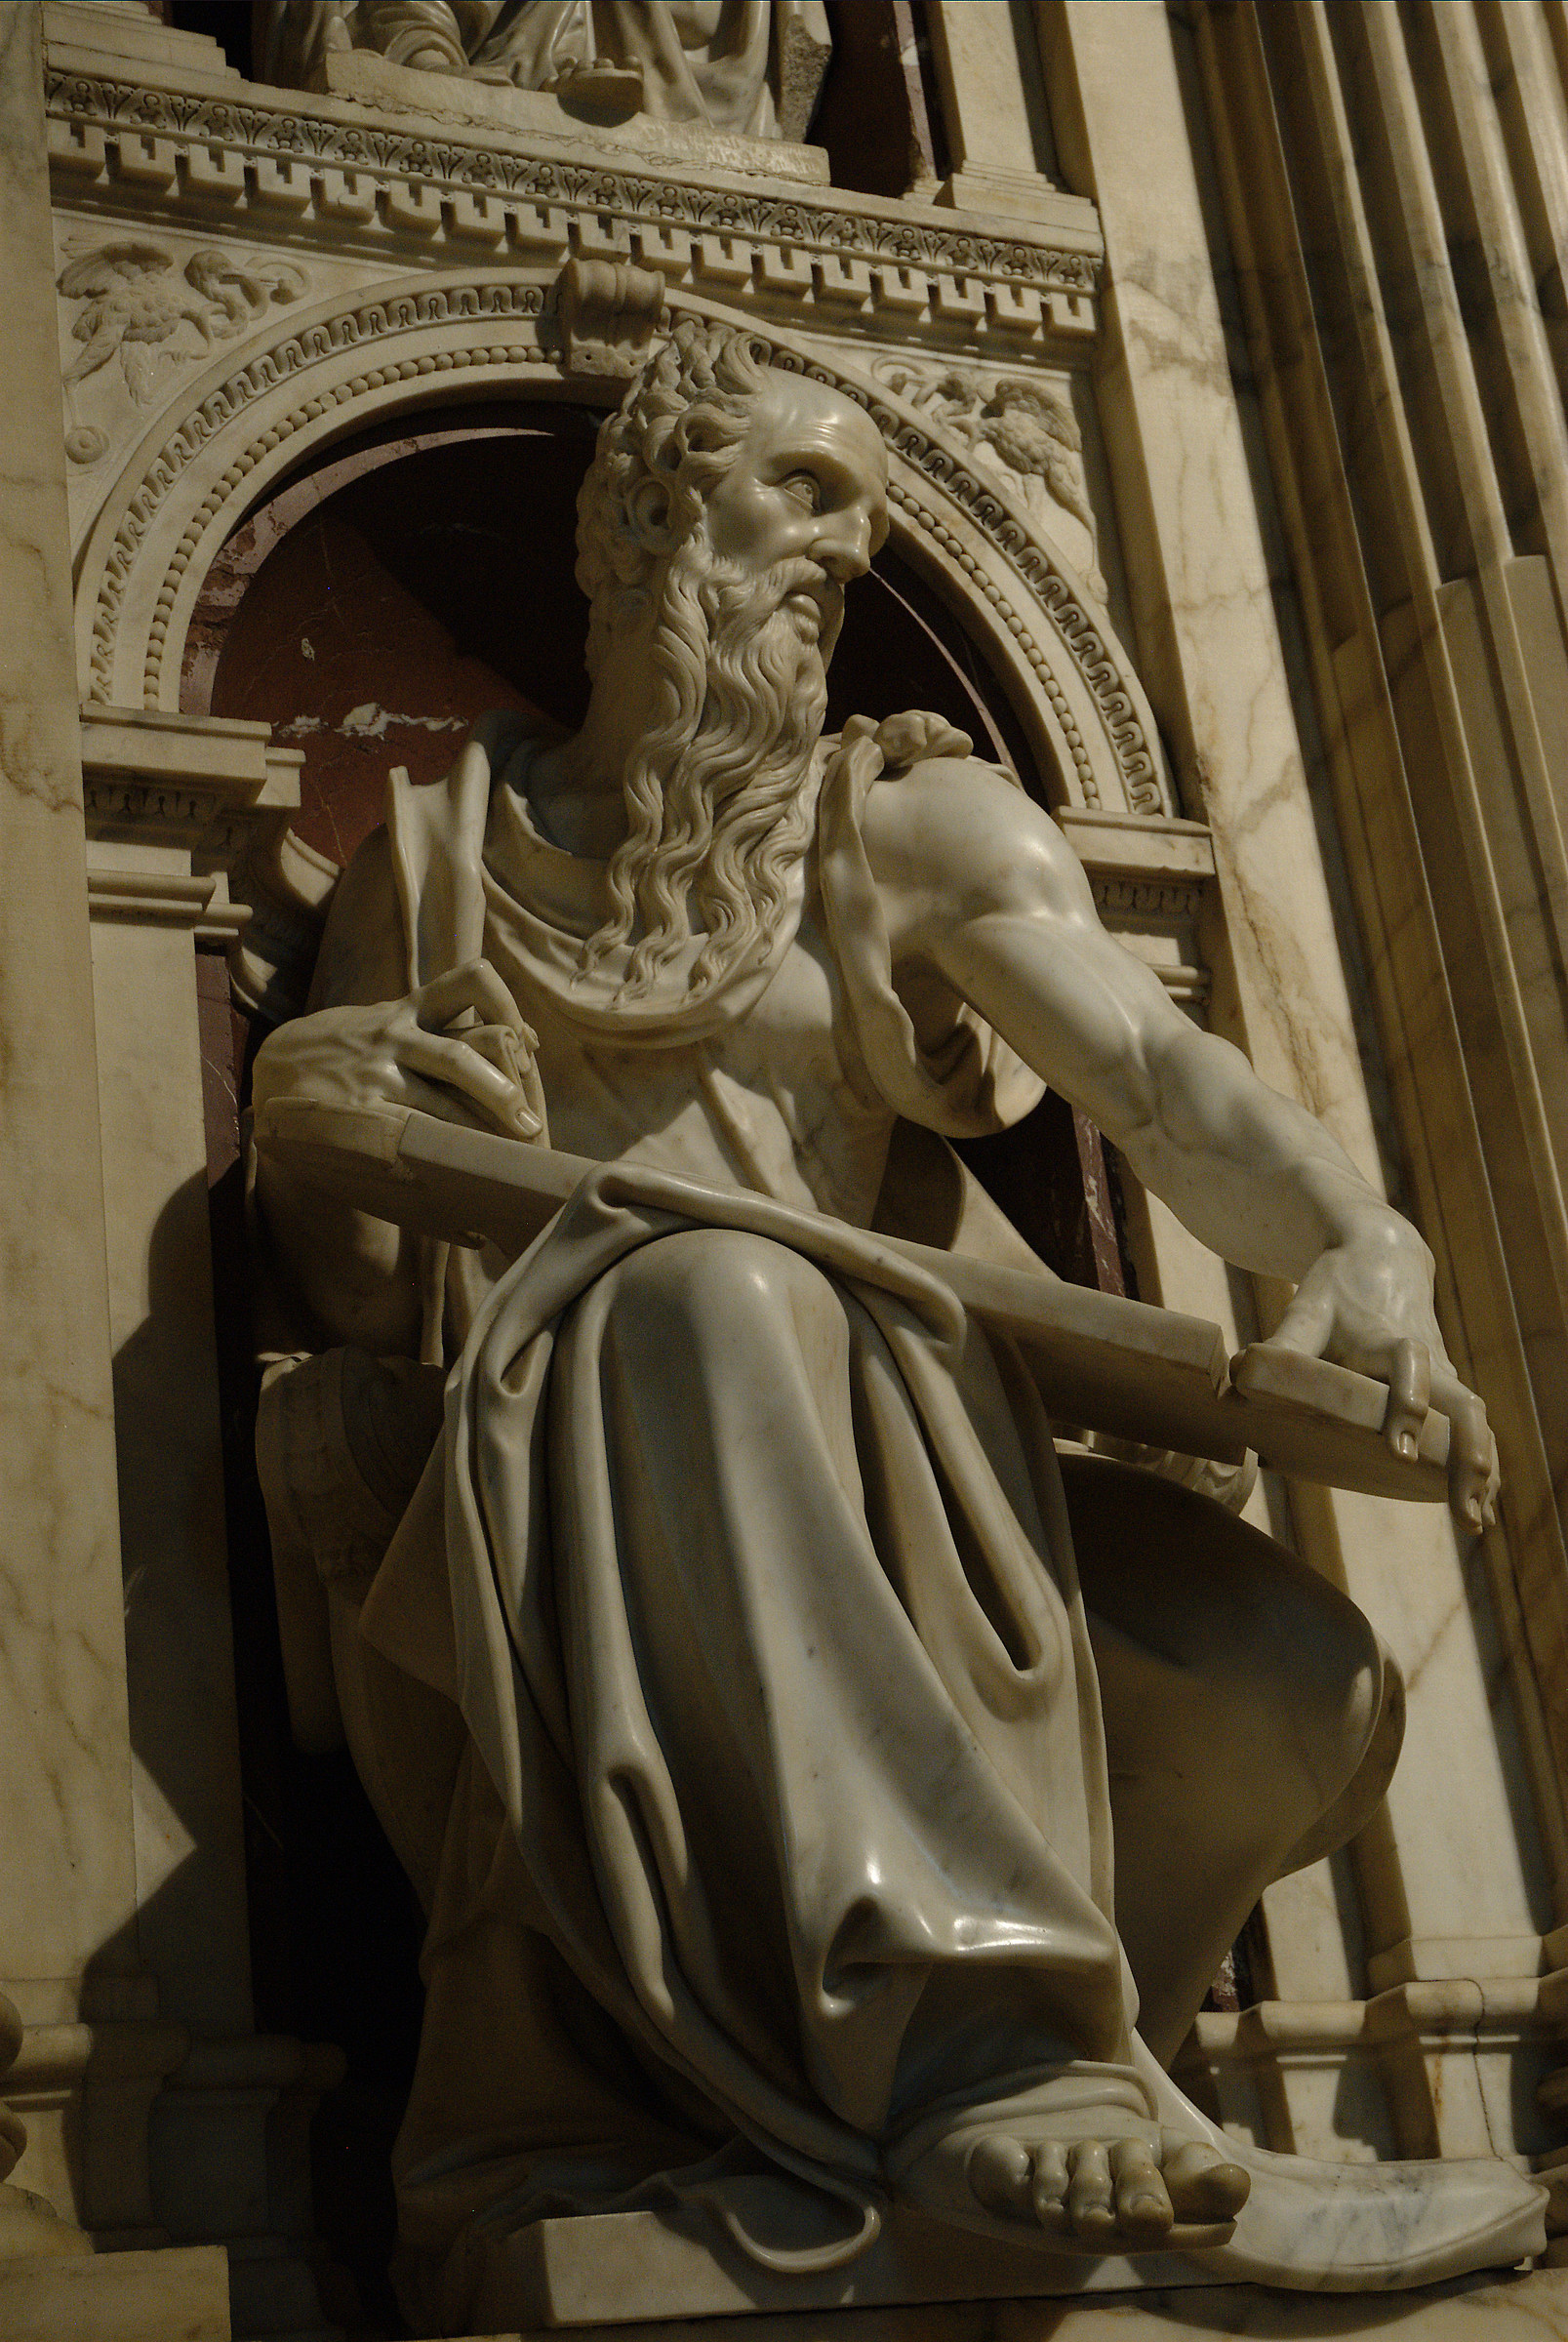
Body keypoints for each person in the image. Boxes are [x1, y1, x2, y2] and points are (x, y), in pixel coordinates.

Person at [252, 323, 1539, 2331]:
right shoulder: (427, 866)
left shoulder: (904, 826)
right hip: (567, 1506)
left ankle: (1071, 2066)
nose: (844, 556)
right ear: (645, 521)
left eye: (863, 523)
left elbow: (1164, 1087)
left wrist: (1366, 1245)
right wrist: (315, 1115)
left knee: (1297, 1677)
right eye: (803, 495)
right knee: (709, 1288)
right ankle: (972, 2054)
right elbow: (355, 1302)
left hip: (912, 1466)